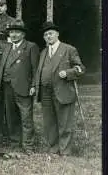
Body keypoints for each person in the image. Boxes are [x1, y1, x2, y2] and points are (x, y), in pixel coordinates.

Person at [34, 22, 85, 156]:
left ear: (57, 34)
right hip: (46, 92)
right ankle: (53, 148)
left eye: (50, 33)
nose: (48, 36)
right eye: (45, 35)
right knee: (49, 122)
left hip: (63, 90)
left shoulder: (69, 49)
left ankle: (65, 151)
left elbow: (80, 68)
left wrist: (68, 73)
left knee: (64, 122)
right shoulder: (44, 52)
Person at [0, 20, 39, 152]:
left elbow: (35, 69)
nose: (13, 35)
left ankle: (28, 145)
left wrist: (33, 85)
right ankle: (15, 143)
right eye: (12, 32)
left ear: (23, 34)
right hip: (7, 86)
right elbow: (1, 66)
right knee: (11, 116)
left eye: (17, 32)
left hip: (23, 87)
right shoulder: (7, 47)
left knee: (26, 117)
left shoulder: (31, 47)